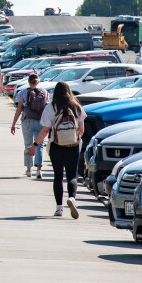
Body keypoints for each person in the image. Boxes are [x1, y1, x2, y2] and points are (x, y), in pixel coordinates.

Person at [31, 81, 85, 218]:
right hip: (73, 146)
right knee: (72, 175)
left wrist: (35, 145)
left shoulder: (50, 108)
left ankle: (59, 208)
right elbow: (82, 131)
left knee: (58, 176)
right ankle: (72, 198)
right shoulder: (77, 107)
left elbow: (45, 130)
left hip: (56, 145)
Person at [10, 71, 48, 179]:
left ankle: (28, 169)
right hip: (40, 121)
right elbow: (46, 109)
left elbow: (19, 110)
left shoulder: (22, 93)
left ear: (28, 82)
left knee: (28, 144)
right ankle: (39, 170)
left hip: (26, 121)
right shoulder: (45, 93)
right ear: (38, 82)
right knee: (39, 145)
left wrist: (13, 124)